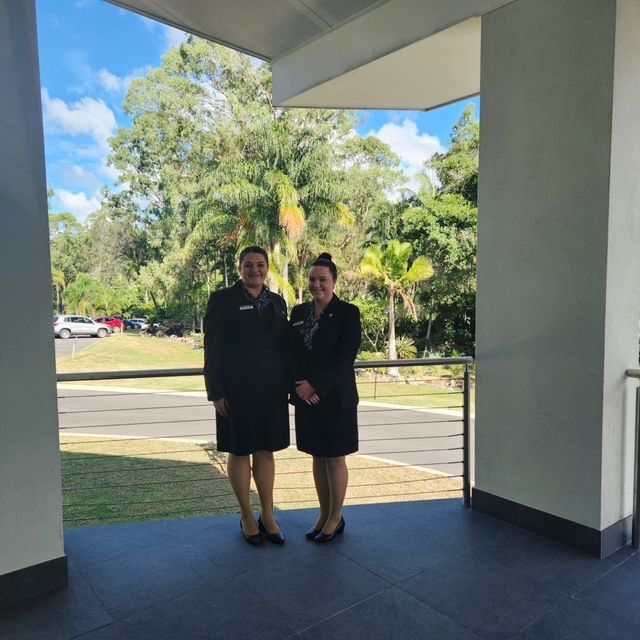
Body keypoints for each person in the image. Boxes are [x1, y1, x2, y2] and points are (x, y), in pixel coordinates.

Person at [203, 246, 289, 546]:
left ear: (268, 268)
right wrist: (215, 391)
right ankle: (246, 516)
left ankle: (267, 514)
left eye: (260, 265)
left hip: (272, 393)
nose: (255, 270)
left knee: (266, 451)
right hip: (235, 392)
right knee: (239, 452)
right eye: (249, 265)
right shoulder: (222, 300)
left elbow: (284, 347)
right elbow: (212, 349)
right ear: (240, 268)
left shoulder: (278, 302)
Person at [288, 253, 362, 542]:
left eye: (323, 279)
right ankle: (323, 513)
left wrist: (315, 385)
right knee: (317, 457)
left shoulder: (348, 313)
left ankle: (336, 516)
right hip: (306, 398)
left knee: (334, 458)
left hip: (335, 398)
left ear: (334, 281)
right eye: (312, 279)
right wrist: (299, 386)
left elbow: (345, 359)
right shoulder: (298, 313)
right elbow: (290, 352)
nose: (317, 284)